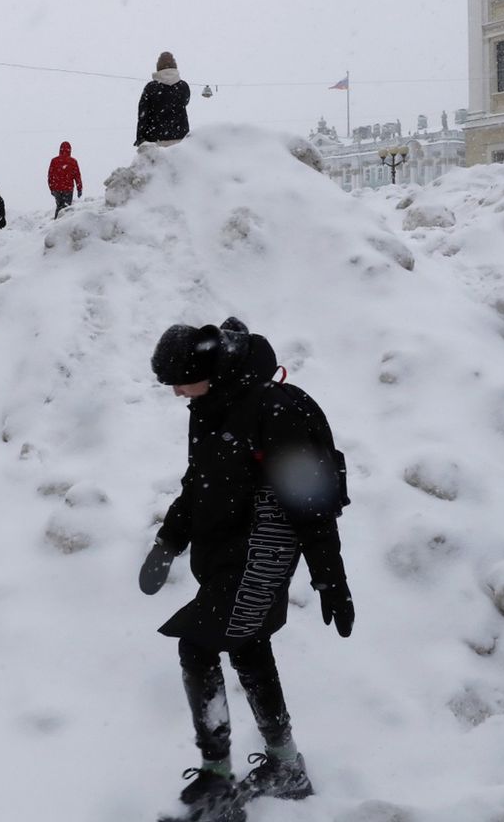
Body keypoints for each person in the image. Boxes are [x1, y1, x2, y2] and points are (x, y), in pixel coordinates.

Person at [141, 317, 352, 819]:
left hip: (263, 551)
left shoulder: (279, 408)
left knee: (199, 646)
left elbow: (312, 498)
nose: (175, 393)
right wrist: (168, 541)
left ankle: (217, 777)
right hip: (227, 551)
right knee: (248, 645)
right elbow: (199, 483)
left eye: (179, 381)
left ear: (208, 371)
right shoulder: (209, 405)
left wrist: (330, 577)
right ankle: (285, 767)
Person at [135, 51, 192, 147]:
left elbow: (143, 114)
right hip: (180, 140)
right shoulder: (183, 86)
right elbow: (185, 102)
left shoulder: (151, 87)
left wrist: (140, 138)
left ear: (158, 67)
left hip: (155, 141)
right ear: (175, 66)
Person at [47, 141, 84, 218]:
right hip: (68, 189)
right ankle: (64, 225)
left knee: (59, 206)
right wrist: (79, 189)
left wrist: (52, 189)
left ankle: (56, 223)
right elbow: (77, 176)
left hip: (57, 189)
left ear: (60, 150)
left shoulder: (54, 161)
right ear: (70, 150)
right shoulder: (73, 161)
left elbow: (50, 176)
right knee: (66, 209)